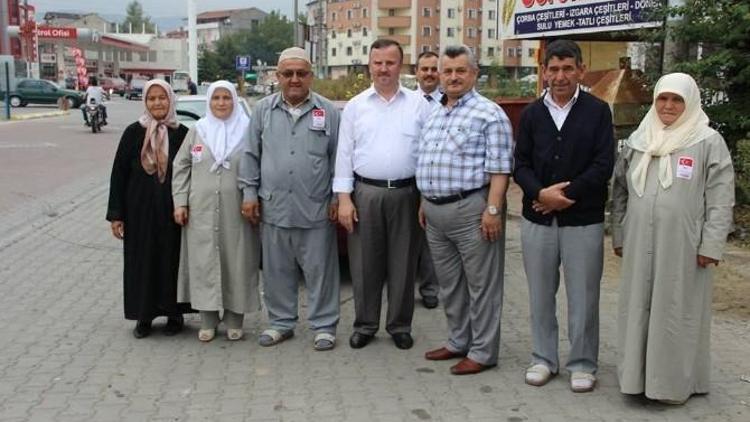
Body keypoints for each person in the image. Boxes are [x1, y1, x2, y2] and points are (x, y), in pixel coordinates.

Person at [612, 73, 735, 404]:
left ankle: (672, 385)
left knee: (676, 310)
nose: (668, 106)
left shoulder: (707, 141)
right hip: (639, 241)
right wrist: (620, 233)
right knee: (638, 306)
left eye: (677, 100)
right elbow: (620, 189)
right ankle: (635, 379)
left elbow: (721, 198)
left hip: (684, 245)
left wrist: (711, 244)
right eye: (662, 99)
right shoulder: (640, 139)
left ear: (690, 102)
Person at [513, 39, 614, 392]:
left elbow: (603, 165)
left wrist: (564, 196)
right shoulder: (531, 114)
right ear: (543, 72)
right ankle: (543, 358)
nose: (560, 76)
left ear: (580, 70)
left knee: (583, 295)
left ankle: (583, 363)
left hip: (582, 220)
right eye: (553, 69)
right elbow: (520, 164)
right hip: (537, 219)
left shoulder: (598, 111)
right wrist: (540, 194)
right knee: (540, 293)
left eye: (567, 68)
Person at [418, 45, 513, 375]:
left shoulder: (490, 113)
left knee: (481, 285)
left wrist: (493, 209)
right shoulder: (435, 113)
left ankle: (483, 352)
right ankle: (458, 341)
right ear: (440, 75)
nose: (453, 77)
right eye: (448, 71)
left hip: (472, 210)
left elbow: (500, 168)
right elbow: (427, 161)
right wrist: (423, 202)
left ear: (474, 74)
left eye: (461, 70)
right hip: (435, 211)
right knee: (450, 284)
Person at [238, 47, 341, 351]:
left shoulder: (327, 112)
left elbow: (338, 157)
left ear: (311, 76)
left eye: (301, 73)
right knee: (276, 269)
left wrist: (338, 197)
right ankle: (281, 322)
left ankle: (324, 325)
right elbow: (250, 154)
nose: (295, 79)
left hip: (316, 206)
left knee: (321, 270)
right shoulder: (263, 111)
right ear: (278, 76)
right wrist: (248, 193)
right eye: (288, 73)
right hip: (274, 206)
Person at [334, 39, 432, 350]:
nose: (383, 69)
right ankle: (365, 324)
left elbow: (429, 154)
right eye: (378, 63)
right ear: (369, 66)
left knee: (404, 263)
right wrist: (344, 199)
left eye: (390, 63)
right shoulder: (356, 106)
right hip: (366, 193)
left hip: (408, 193)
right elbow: (344, 154)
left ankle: (400, 324)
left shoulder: (419, 105)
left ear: (400, 66)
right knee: (364, 264)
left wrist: (426, 198)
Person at [172, 81, 261, 342]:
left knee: (238, 261)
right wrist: (180, 202)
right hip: (201, 211)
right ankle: (208, 319)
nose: (221, 103)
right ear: (209, 102)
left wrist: (256, 199)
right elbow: (181, 167)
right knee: (203, 262)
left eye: (226, 98)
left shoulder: (247, 131)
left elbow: (259, 165)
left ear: (234, 101)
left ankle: (235, 318)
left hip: (239, 211)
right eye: (216, 98)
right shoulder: (198, 130)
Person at [106, 79, 192, 338]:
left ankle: (174, 315)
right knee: (141, 261)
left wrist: (187, 204)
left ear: (170, 100)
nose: (157, 103)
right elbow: (118, 174)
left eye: (162, 98)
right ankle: (143, 316)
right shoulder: (133, 132)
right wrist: (116, 215)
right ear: (145, 102)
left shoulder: (182, 133)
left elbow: (191, 173)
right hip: (139, 211)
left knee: (172, 259)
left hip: (172, 212)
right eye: (152, 98)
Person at [413, 50, 441, 310]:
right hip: (409, 179)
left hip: (435, 180)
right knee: (407, 238)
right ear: (417, 72)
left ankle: (430, 288)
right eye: (425, 69)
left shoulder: (452, 101)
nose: (430, 73)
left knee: (430, 239)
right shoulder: (407, 101)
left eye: (434, 68)